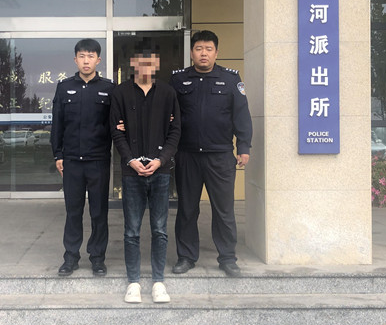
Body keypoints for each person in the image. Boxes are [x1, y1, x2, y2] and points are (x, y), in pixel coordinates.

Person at [169, 30, 252, 277]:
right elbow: (168, 116)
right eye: (198, 49)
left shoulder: (230, 79)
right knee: (187, 210)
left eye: (208, 49)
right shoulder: (178, 79)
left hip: (220, 156)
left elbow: (241, 115)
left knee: (224, 211)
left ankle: (227, 258)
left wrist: (244, 147)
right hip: (187, 156)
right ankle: (186, 257)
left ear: (216, 52)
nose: (203, 53)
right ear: (191, 52)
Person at [110, 49, 181, 303]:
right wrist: (130, 160)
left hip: (160, 172)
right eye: (141, 62)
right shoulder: (120, 93)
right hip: (131, 173)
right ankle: (134, 282)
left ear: (157, 64)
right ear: (133, 64)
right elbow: (116, 131)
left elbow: (175, 131)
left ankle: (158, 282)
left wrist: (161, 160)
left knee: (160, 229)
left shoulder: (168, 93)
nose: (146, 66)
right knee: (131, 230)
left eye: (150, 62)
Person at [50, 39, 115, 277]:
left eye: (91, 56)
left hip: (98, 160)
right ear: (75, 59)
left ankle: (97, 258)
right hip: (71, 162)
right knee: (73, 211)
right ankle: (71, 257)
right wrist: (58, 154)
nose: (86, 61)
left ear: (98, 60)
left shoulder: (109, 89)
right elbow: (57, 124)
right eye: (82, 56)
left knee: (99, 212)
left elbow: (114, 126)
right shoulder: (64, 87)